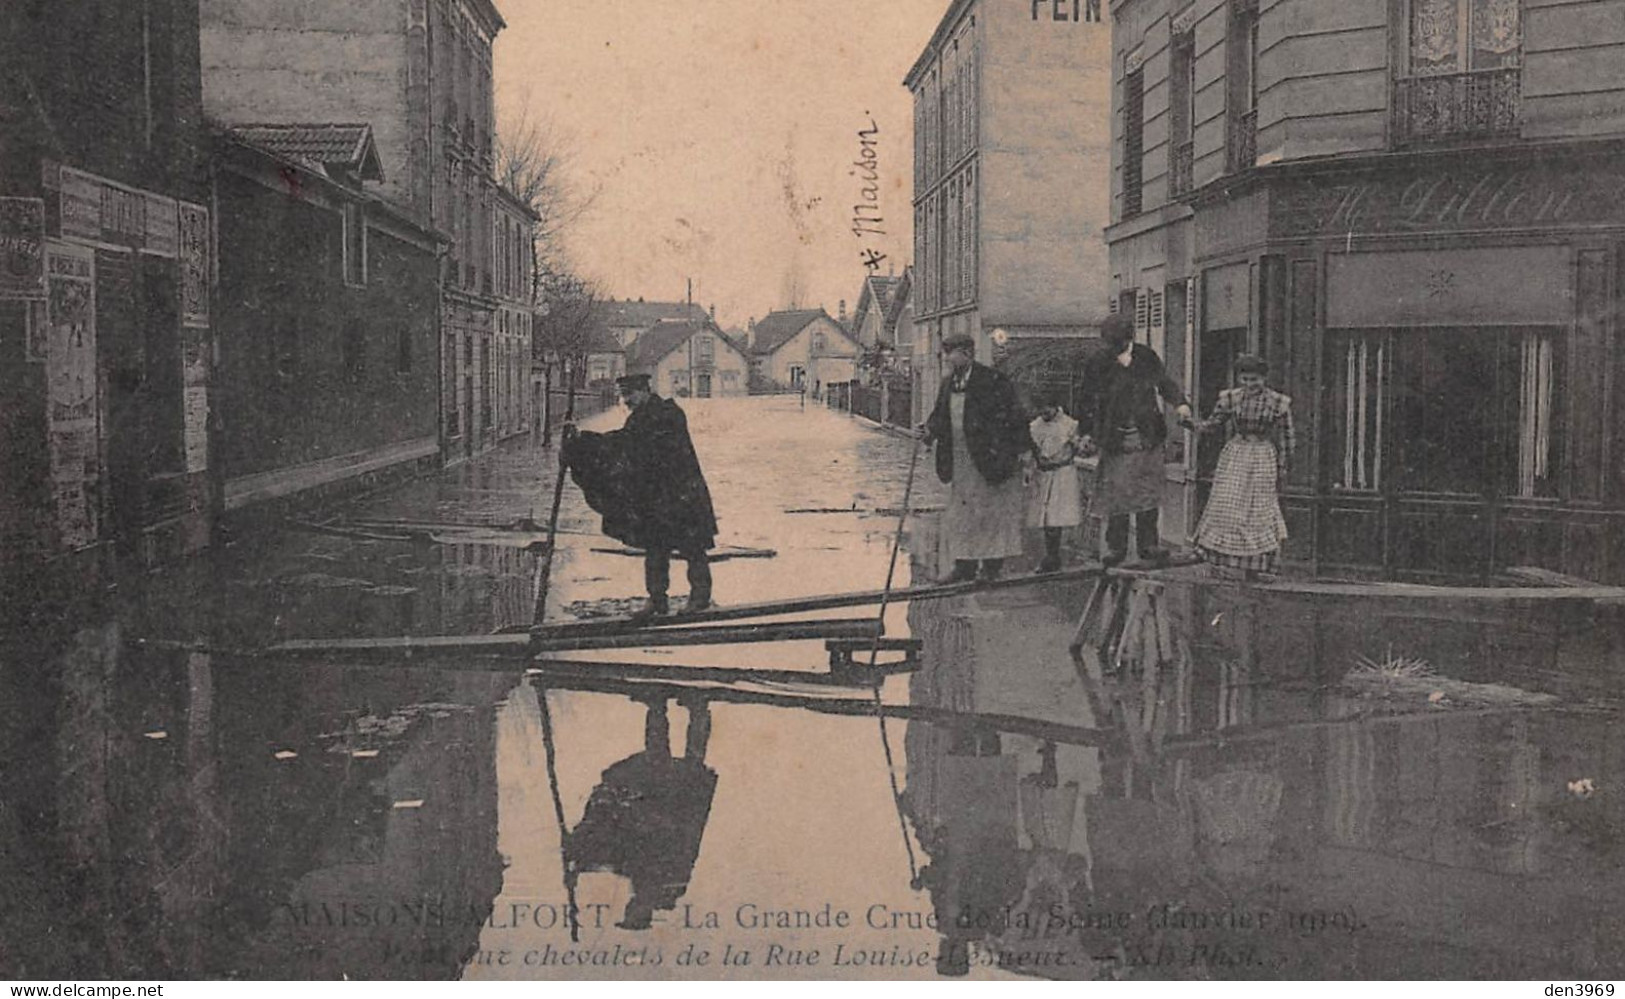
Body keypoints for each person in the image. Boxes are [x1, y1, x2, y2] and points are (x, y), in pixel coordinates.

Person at [563, 372, 717, 619]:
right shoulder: (642, 417)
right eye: (624, 395)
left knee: (693, 547)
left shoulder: (667, 414)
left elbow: (628, 443)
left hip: (682, 494)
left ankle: (700, 599)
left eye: (631, 394)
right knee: (656, 548)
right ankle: (657, 601)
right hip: (659, 496)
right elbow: (626, 445)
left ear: (645, 391)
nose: (627, 400)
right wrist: (582, 441)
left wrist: (585, 441)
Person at [1077, 314, 1192, 567]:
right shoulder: (1098, 361)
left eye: (1117, 343)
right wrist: (1086, 432)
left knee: (1147, 491)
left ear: (1129, 338)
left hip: (1146, 434)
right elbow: (1086, 398)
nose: (1112, 348)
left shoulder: (1146, 357)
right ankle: (1116, 547)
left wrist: (1181, 404)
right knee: (1116, 494)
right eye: (1109, 343)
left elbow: (1164, 383)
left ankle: (1148, 545)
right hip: (1115, 438)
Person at [920, 334, 1033, 583]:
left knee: (991, 514)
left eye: (951, 354)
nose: (947, 359)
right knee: (963, 516)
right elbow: (939, 416)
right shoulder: (949, 383)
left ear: (967, 354)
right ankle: (964, 566)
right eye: (946, 353)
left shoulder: (992, 380)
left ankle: (991, 569)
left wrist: (1023, 452)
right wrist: (929, 430)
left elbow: (1016, 417)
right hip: (961, 461)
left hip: (990, 460)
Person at [1189, 354, 1294, 580]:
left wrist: (1283, 465)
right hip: (1236, 454)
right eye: (1245, 379)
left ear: (1264, 378)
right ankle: (1225, 562)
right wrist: (1193, 425)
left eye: (1254, 379)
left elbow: (1287, 437)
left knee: (1258, 510)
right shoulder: (1231, 398)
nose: (1249, 385)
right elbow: (1214, 424)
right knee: (1228, 506)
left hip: (1262, 455)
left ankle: (1258, 566)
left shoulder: (1277, 402)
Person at [1026, 392, 1084, 573]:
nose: (1044, 413)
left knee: (1056, 516)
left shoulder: (1068, 424)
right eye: (1040, 410)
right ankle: (1052, 555)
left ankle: (1053, 556)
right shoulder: (1035, 426)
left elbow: (1079, 447)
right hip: (1043, 474)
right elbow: (1032, 448)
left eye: (1047, 409)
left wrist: (1082, 446)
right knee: (1045, 517)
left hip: (1062, 473)